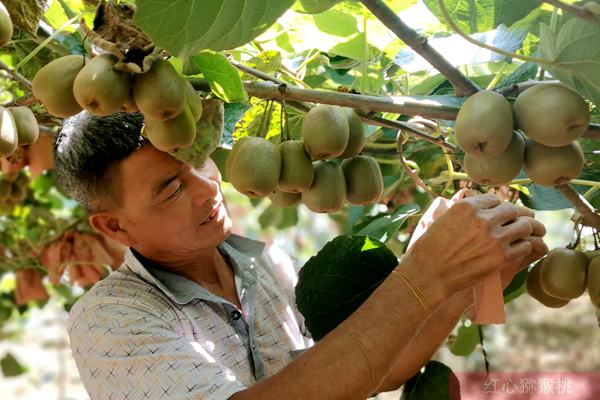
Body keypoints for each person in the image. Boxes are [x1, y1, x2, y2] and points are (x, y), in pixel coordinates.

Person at [57, 111, 548, 400]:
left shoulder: (268, 267)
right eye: (169, 190)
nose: (208, 188)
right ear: (114, 226)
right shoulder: (110, 318)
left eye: (198, 162)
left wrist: (459, 283)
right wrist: (423, 273)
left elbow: (367, 373)